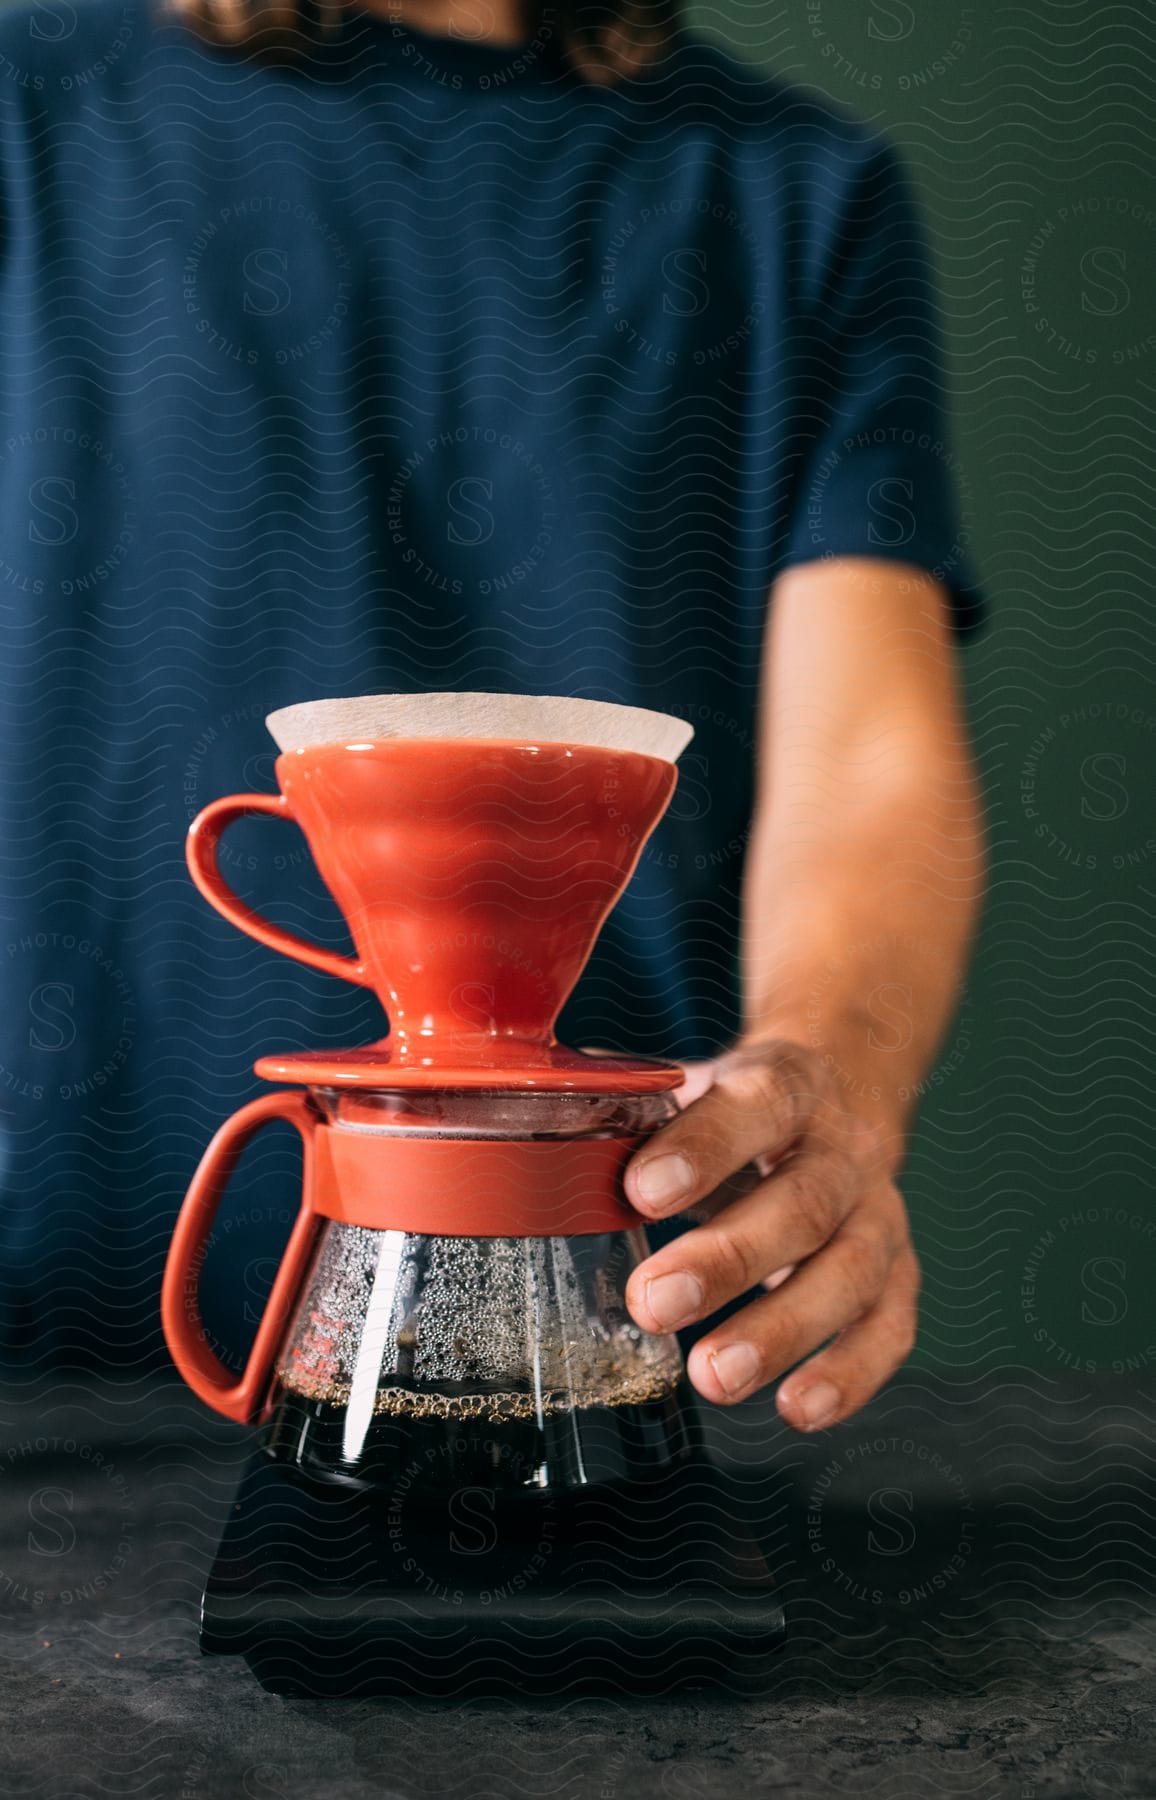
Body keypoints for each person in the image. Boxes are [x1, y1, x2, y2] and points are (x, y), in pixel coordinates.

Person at [0, 0, 985, 1430]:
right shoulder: (27, 103)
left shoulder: (798, 192)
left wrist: (818, 1076)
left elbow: (871, 767)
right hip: (36, 1389)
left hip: (595, 1349)